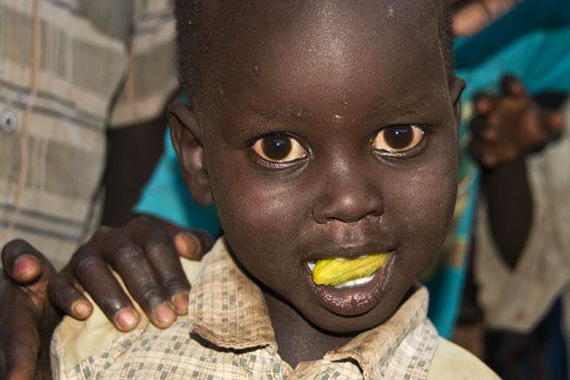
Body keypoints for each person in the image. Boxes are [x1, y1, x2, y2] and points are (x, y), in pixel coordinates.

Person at [45, 0, 503, 378]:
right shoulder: (97, 352)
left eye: (399, 137)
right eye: (279, 148)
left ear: (453, 125)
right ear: (198, 159)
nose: (350, 201)